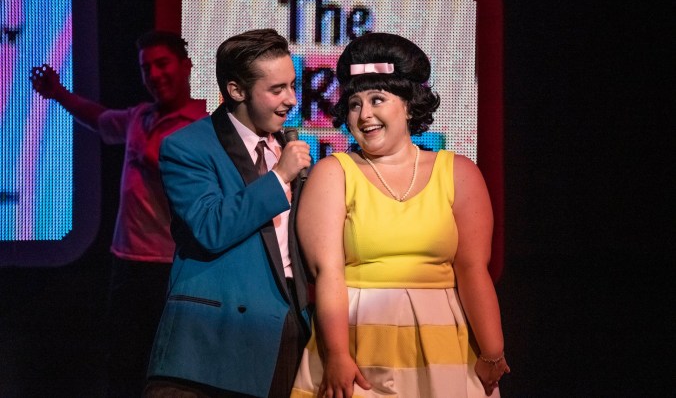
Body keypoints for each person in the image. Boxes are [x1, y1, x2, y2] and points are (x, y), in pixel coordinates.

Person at [291, 32, 510, 398]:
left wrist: (492, 351)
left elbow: (472, 270)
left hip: (444, 346)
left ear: (409, 105)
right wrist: (338, 354)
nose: (365, 114)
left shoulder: (458, 172)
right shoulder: (334, 173)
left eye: (377, 99)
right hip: (358, 345)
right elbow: (329, 273)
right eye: (355, 104)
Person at [29, 30, 208, 397]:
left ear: (186, 66)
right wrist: (58, 93)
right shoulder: (140, 117)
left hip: (174, 267)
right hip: (127, 262)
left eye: (162, 64)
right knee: (123, 362)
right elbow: (99, 118)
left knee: (170, 367)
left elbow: (203, 193)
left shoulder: (203, 125)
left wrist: (156, 158)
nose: (154, 75)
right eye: (146, 68)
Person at [144, 29, 313, 398]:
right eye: (277, 89)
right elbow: (210, 227)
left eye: (292, 85)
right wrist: (279, 177)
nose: (291, 99)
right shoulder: (187, 146)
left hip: (284, 327)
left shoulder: (288, 147)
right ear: (236, 90)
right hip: (214, 339)